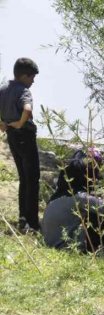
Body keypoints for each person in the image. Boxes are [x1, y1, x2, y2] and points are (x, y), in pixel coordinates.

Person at [0, 58, 40, 232]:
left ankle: (23, 218)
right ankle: (32, 222)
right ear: (24, 76)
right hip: (24, 134)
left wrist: (3, 122)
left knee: (24, 178)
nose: (33, 81)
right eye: (31, 77)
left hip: (12, 136)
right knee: (32, 179)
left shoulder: (3, 89)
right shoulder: (23, 90)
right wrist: (20, 123)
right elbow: (28, 110)